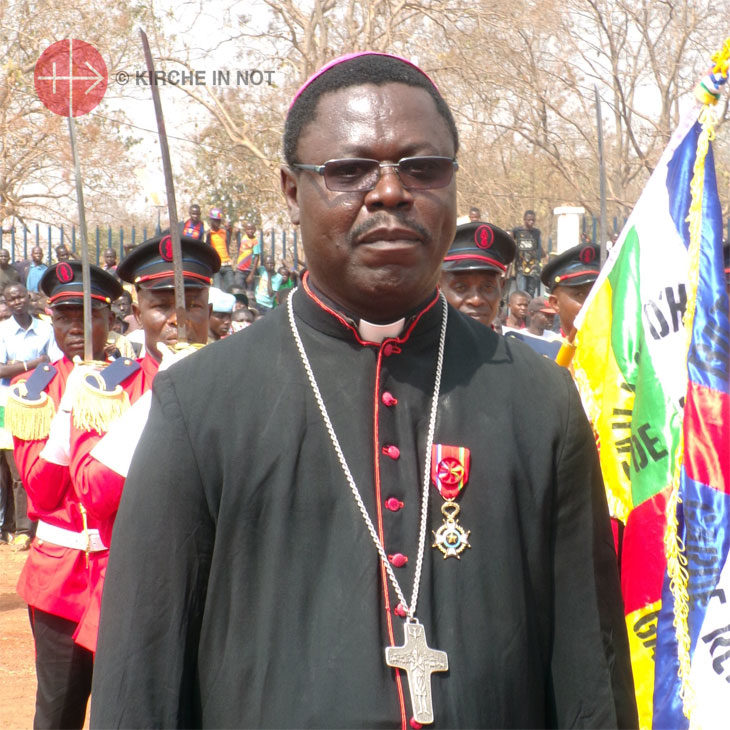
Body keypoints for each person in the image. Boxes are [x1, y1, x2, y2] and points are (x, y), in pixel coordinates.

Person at [91, 52, 636, 729]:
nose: (390, 192)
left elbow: (589, 670)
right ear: (291, 190)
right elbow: (141, 678)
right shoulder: (197, 405)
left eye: (423, 168)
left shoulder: (539, 398)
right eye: (349, 171)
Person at [65, 231, 219, 654]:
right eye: (162, 305)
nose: (178, 319)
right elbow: (93, 493)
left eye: (193, 305)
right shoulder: (108, 391)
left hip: (223, 602)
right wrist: (165, 395)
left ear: (209, 311)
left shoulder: (244, 385)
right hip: (136, 597)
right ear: (136, 313)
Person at [6, 262, 122, 728]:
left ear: (110, 319)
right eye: (64, 317)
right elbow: (41, 490)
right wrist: (69, 409)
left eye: (89, 315)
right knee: (57, 711)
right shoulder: (33, 390)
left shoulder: (138, 380)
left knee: (124, 709)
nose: (76, 327)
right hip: (59, 576)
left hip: (122, 569)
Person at [0, 283, 57, 550]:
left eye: (20, 296)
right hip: (5, 405)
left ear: (28, 297)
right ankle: (7, 526)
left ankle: (24, 529)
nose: (17, 302)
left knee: (22, 469)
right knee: (4, 470)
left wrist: (17, 368)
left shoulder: (46, 329)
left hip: (36, 407)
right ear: (6, 302)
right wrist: (33, 364)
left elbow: (53, 365)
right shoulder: (2, 330)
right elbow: (1, 370)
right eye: (11, 299)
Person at [439, 220, 515, 328]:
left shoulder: (511, 340)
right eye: (461, 287)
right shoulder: (421, 339)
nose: (476, 300)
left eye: (487, 287)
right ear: (438, 287)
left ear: (501, 287)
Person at [541, 242, 600, 336]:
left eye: (598, 294)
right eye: (580, 295)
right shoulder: (548, 345)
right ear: (555, 303)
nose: (591, 303)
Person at [512, 210, 543, 296]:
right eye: (529, 220)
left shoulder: (536, 232)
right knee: (521, 293)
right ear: (524, 219)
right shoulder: (517, 231)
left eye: (533, 220)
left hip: (533, 268)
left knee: (531, 293)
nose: (531, 222)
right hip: (520, 267)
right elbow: (510, 243)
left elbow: (539, 248)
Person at [206, 207, 234, 291]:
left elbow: (228, 242)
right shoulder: (208, 234)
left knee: (232, 288)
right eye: (215, 220)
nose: (217, 223)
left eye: (218, 220)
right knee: (217, 290)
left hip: (227, 264)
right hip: (216, 266)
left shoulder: (224, 232)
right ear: (211, 221)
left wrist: (230, 230)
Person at [233, 221, 261, 290]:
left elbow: (257, 257)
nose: (250, 231)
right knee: (239, 290)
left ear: (255, 230)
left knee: (249, 292)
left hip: (249, 271)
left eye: (252, 229)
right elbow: (236, 238)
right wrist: (236, 232)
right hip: (240, 269)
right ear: (245, 230)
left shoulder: (255, 241)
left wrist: (252, 274)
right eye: (248, 229)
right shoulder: (243, 237)